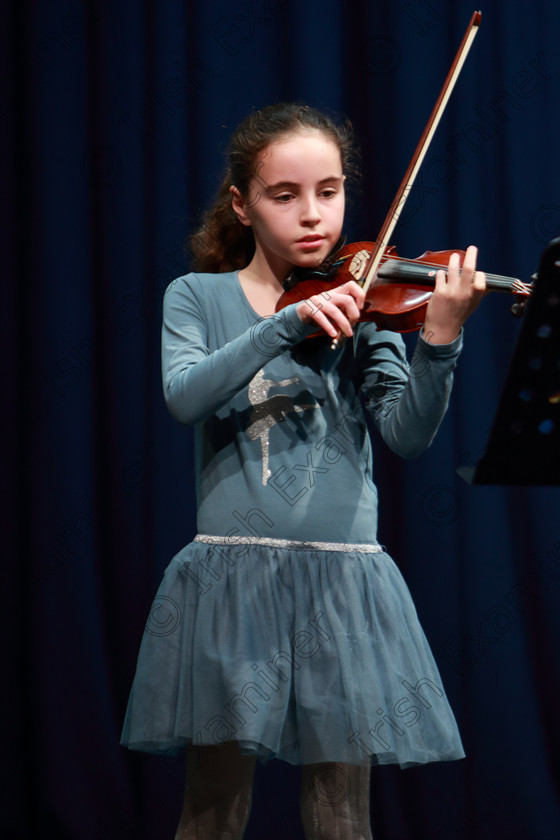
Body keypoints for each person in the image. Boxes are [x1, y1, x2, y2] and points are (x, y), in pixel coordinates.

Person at [121, 103, 486, 839]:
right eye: (284, 196)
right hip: (233, 579)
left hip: (343, 583)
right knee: (212, 812)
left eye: (329, 190)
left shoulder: (373, 308)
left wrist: (439, 346)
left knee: (341, 817)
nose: (313, 215)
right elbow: (187, 398)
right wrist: (284, 324)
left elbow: (405, 435)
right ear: (243, 205)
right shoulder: (199, 297)